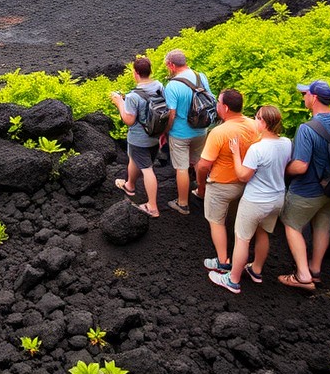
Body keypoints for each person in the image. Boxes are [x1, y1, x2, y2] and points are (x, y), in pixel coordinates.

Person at [209, 105, 291, 293]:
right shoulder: (287, 142)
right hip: (277, 198)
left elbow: (243, 176)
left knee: (242, 239)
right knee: (263, 234)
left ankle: (233, 279)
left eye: (256, 117)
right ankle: (256, 270)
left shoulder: (257, 149)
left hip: (256, 200)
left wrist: (236, 153)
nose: (254, 120)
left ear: (263, 122)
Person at [278, 80, 330, 292]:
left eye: (305, 94)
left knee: (291, 225)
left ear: (314, 98)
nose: (303, 98)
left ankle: (302, 275)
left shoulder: (307, 129)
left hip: (307, 189)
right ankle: (315, 270)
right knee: (322, 225)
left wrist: (283, 169)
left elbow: (300, 166)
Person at [194, 88, 259, 272]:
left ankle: (223, 261)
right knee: (236, 219)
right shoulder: (254, 125)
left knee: (216, 221)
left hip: (221, 186)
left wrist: (201, 185)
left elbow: (204, 165)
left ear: (226, 107)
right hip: (246, 183)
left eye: (218, 103)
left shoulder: (219, 132)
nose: (216, 106)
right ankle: (240, 249)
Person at [109, 56, 165, 217]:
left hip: (139, 138)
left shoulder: (133, 96)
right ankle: (130, 186)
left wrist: (119, 102)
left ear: (135, 73)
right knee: (134, 159)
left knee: (147, 170)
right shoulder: (159, 86)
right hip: (155, 134)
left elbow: (129, 120)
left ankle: (152, 207)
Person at [161, 49, 210, 215]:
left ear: (172, 65)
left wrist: (165, 132)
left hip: (181, 133)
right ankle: (202, 192)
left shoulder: (172, 86)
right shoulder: (200, 77)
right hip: (201, 129)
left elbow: (171, 114)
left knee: (181, 168)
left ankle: (182, 203)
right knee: (198, 162)